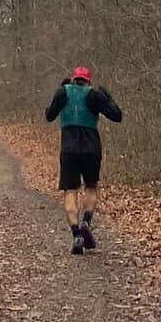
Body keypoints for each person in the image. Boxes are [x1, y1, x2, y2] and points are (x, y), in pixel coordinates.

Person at [45, 65, 122, 255]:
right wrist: (108, 97)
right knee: (91, 187)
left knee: (70, 190)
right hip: (91, 148)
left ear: (73, 78)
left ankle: (76, 233)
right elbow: (117, 116)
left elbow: (49, 115)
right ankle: (86, 222)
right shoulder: (94, 95)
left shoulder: (63, 92)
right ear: (89, 80)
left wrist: (58, 92)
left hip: (69, 149)